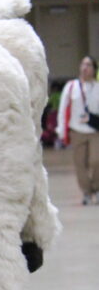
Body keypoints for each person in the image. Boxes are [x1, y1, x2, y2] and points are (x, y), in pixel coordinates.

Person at [56, 55, 99, 204]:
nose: (85, 68)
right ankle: (86, 192)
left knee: (96, 161)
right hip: (77, 130)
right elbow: (63, 108)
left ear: (94, 70)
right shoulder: (71, 86)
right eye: (83, 64)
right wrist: (61, 129)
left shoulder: (97, 87)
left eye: (89, 65)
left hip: (95, 131)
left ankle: (96, 187)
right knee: (80, 163)